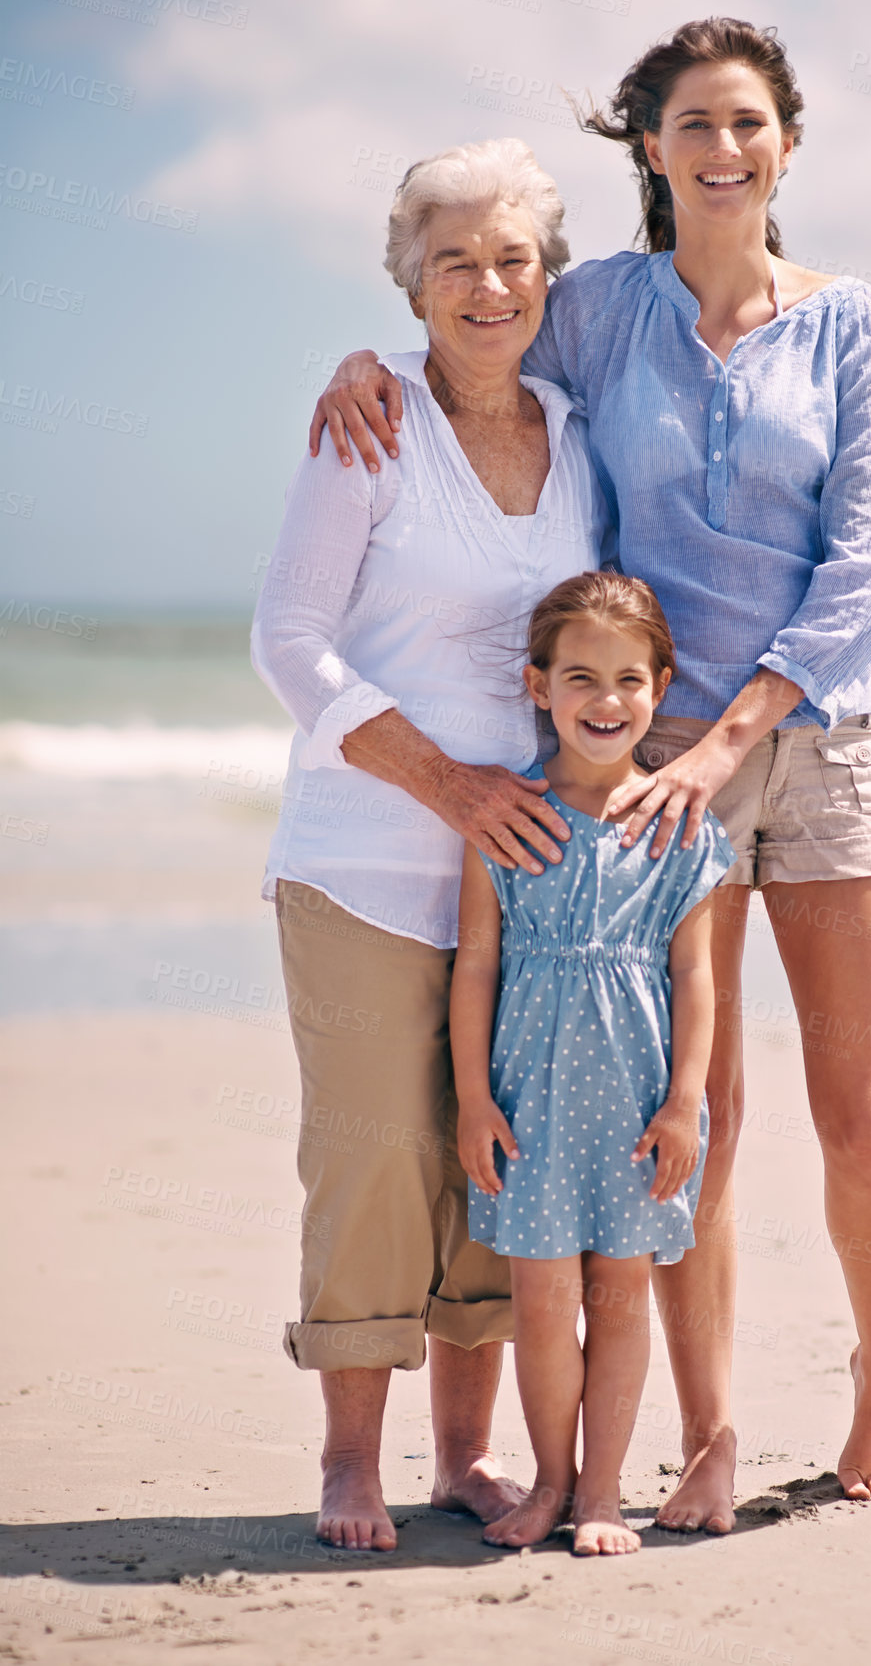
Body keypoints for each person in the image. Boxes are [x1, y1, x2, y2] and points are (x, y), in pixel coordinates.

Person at [310, 16, 871, 1528]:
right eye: (692, 125)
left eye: (747, 121)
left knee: (860, 1111)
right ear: (647, 150)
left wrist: (737, 735)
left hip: (821, 737)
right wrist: (371, 360)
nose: (722, 149)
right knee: (694, 1106)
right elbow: (480, 311)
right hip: (652, 765)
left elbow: (862, 565)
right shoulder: (602, 311)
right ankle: (706, 1440)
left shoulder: (849, 322)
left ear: (786, 141)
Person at [251, 137, 609, 1551]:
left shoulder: (580, 425)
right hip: (364, 860)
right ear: (410, 280)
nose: (485, 281)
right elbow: (288, 642)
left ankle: (462, 1453)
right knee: (375, 1155)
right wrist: (450, 784)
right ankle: (350, 1456)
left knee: (493, 1160)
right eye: (452, 257)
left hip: (525, 880)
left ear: (545, 277)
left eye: (510, 257)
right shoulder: (370, 420)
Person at [452, 572, 734, 1555]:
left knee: (620, 1299)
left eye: (627, 679)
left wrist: (684, 1104)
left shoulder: (681, 829)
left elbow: (696, 977)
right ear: (538, 686)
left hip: (635, 1112)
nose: (605, 701)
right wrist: (474, 1099)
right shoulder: (503, 823)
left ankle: (605, 1494)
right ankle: (549, 1485)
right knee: (541, 1306)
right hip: (528, 1111)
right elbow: (476, 965)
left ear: (660, 686)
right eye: (580, 678)